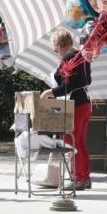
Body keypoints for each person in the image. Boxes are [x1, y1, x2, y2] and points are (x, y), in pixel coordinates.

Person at [40, 29, 92, 190]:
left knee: (71, 142)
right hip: (84, 103)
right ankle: (84, 177)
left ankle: (79, 178)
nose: (55, 51)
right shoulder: (80, 56)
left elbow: (69, 85)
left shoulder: (70, 57)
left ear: (59, 44)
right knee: (79, 142)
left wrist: (51, 92)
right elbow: (85, 80)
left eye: (54, 47)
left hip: (75, 105)